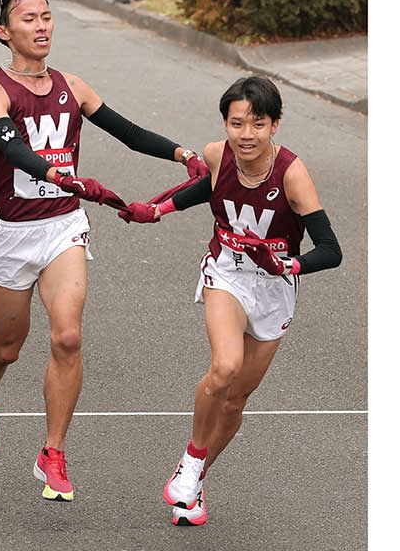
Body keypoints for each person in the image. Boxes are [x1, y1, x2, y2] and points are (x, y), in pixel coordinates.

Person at [0, 0, 208, 503]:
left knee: (68, 336)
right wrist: (55, 173)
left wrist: (183, 154)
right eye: (29, 19)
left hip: (63, 227)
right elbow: (10, 146)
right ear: (5, 32)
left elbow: (129, 132)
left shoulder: (72, 87)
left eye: (47, 16)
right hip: (13, 233)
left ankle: (52, 452)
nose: (42, 26)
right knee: (6, 348)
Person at [118, 76, 343, 525]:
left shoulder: (292, 175)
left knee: (236, 400)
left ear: (274, 125)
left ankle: (194, 478)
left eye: (257, 124)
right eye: (236, 123)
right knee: (224, 368)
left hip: (275, 285)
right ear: (225, 124)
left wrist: (287, 266)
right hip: (227, 274)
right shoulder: (218, 155)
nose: (245, 135)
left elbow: (330, 249)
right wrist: (158, 210)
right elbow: (210, 188)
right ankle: (191, 459)